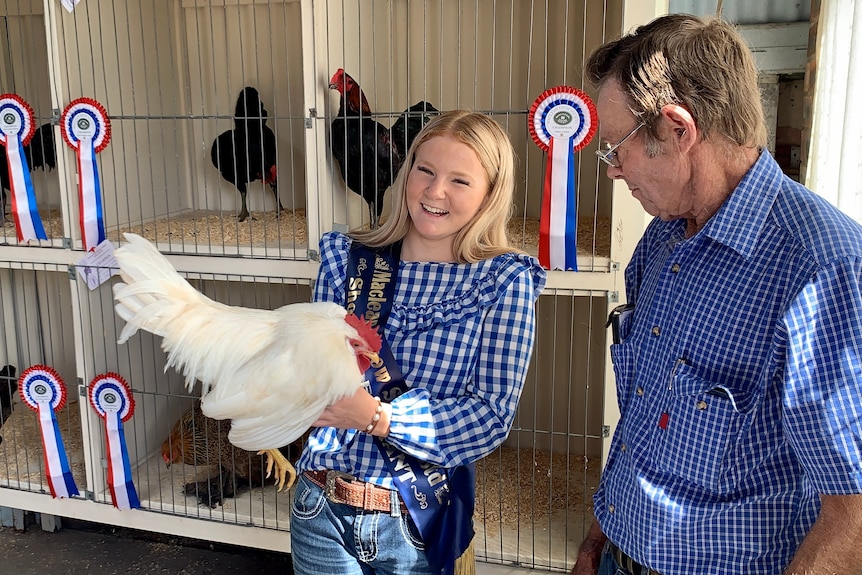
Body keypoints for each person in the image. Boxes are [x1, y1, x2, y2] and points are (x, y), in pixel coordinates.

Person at [570, 13, 862, 575]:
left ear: (678, 130)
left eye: (615, 149)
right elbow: (643, 419)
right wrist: (597, 539)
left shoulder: (821, 268)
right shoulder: (661, 239)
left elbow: (852, 510)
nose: (611, 170)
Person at [290, 110, 546, 575]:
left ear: (490, 193)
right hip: (320, 503)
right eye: (424, 170)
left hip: (413, 524)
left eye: (460, 180)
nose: (434, 190)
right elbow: (309, 374)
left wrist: (378, 417)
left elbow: (490, 416)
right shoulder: (345, 260)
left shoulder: (503, 282)